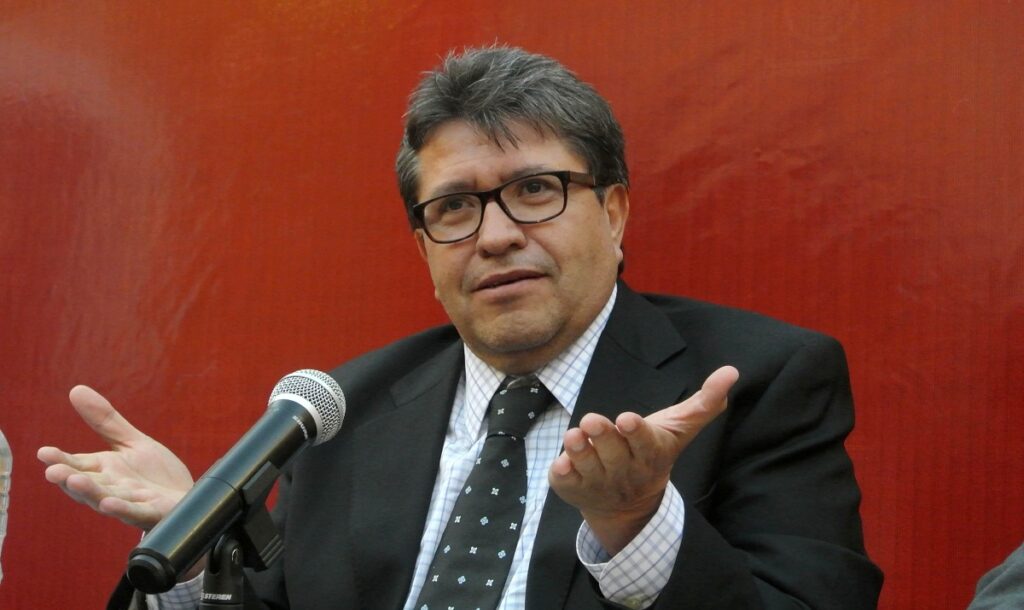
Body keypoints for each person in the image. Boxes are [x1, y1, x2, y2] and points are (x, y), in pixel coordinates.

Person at [38, 46, 882, 609]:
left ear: (615, 211)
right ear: (425, 250)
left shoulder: (755, 381)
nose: (496, 235)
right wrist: (196, 542)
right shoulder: (345, 408)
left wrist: (637, 525)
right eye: (453, 208)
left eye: (535, 190)